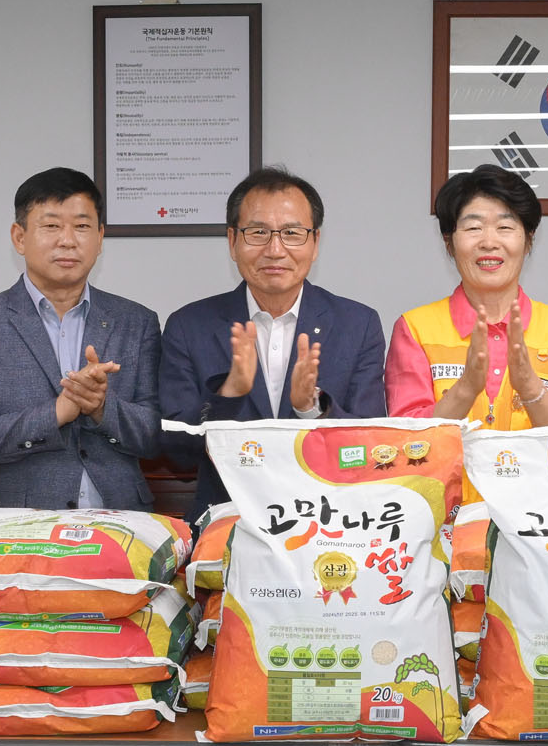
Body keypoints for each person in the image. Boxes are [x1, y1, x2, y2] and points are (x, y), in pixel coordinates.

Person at [161, 168, 388, 520]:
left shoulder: (357, 325)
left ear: (315, 243)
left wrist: (311, 409)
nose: (275, 249)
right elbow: (177, 452)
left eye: (292, 233)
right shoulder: (189, 326)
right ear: (232, 241)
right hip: (227, 523)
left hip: (328, 523)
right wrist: (228, 396)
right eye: (258, 233)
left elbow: (369, 447)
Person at [0, 169, 162, 511]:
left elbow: (155, 435)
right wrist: (56, 413)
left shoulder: (137, 322)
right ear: (19, 237)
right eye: (52, 226)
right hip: (15, 524)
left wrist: (101, 408)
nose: (68, 240)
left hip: (119, 520)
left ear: (100, 237)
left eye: (82, 226)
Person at [385, 164, 548, 433]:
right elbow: (404, 436)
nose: (489, 242)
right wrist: (466, 389)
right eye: (473, 228)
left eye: (505, 227)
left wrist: (530, 388)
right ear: (449, 242)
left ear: (528, 239)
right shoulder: (415, 328)